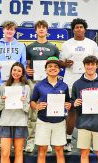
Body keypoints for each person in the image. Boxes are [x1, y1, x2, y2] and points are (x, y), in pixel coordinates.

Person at [31, 57, 72, 163]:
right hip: (43, 121)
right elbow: (32, 101)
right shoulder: (39, 85)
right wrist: (36, 106)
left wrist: (68, 105)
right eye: (50, 66)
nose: (53, 68)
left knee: (59, 150)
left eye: (55, 66)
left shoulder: (64, 86)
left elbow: (68, 102)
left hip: (59, 122)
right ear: (46, 69)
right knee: (42, 150)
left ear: (59, 70)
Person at [60, 18, 98, 152]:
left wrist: (91, 70)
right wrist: (66, 64)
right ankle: (68, 140)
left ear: (85, 29)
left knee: (89, 110)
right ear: (73, 29)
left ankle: (87, 141)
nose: (79, 29)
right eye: (76, 27)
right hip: (70, 80)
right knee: (71, 110)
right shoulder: (66, 44)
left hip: (88, 81)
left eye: (81, 27)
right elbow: (61, 63)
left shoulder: (91, 44)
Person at [0, 21, 26, 152]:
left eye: (12, 30)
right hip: (1, 83)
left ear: (15, 31)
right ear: (3, 30)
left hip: (16, 84)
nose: (9, 32)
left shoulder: (21, 46)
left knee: (16, 111)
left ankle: (18, 140)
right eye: (7, 29)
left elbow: (23, 65)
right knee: (0, 113)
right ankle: (0, 140)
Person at [25, 20, 60, 153]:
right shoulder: (29, 47)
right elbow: (27, 65)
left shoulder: (53, 48)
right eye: (39, 28)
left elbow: (56, 66)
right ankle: (31, 140)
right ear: (35, 30)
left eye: (43, 27)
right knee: (33, 112)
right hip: (34, 82)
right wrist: (27, 70)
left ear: (47, 30)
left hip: (48, 82)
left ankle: (47, 141)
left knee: (48, 111)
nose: (41, 30)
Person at [0, 62, 30, 163]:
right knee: (4, 153)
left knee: (18, 153)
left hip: (20, 121)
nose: (16, 72)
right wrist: (3, 100)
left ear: (22, 73)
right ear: (11, 71)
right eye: (14, 70)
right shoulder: (3, 86)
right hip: (5, 121)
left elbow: (28, 108)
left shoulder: (26, 87)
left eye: (19, 70)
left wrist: (23, 101)